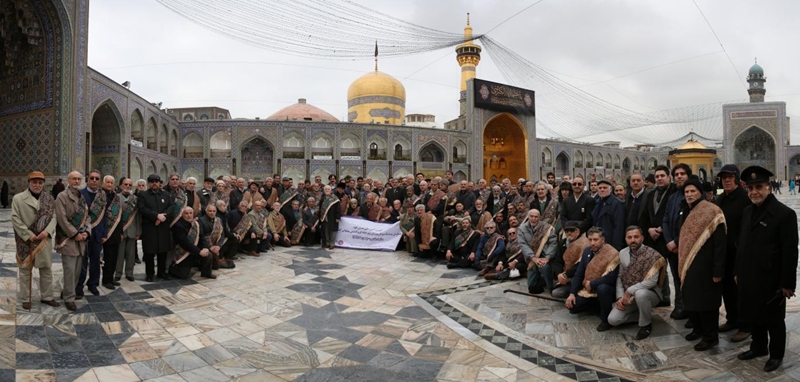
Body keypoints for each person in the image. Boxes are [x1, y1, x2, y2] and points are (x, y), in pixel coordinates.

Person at [735, 166, 798, 372]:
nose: (754, 191)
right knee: (754, 314)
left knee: (774, 319)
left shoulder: (784, 214)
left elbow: (790, 251)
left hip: (771, 278)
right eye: (750, 188)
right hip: (749, 275)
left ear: (768, 187)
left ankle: (776, 354)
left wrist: (787, 283)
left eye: (759, 187)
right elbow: (742, 245)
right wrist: (738, 271)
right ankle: (758, 347)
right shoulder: (747, 212)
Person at [679, 176, 726, 351]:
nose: (689, 194)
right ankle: (698, 329)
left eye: (693, 191)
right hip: (689, 264)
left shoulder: (712, 211)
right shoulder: (686, 209)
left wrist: (717, 270)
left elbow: (720, 244)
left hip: (707, 265)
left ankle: (710, 337)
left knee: (707, 303)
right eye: (686, 192)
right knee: (692, 300)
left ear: (701, 192)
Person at [607, 226, 666, 340]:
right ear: (625, 239)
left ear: (642, 238)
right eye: (629, 237)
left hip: (649, 293)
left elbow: (652, 281)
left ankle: (646, 325)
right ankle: (643, 313)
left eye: (636, 237)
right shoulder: (622, 253)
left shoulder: (651, 255)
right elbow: (620, 276)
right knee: (613, 320)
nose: (633, 240)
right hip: (628, 297)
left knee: (640, 294)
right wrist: (620, 297)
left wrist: (629, 291)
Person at [714, 164, 751, 343]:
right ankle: (732, 319)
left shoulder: (745, 198)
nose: (727, 180)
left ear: (736, 178)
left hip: (740, 253)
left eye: (730, 177)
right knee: (727, 288)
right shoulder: (720, 200)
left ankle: (745, 326)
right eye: (724, 178)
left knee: (741, 290)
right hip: (724, 253)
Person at [12, 171, 58, 310]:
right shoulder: (18, 198)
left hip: (43, 240)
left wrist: (47, 231)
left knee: (46, 269)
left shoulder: (49, 199)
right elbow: (15, 218)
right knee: (25, 270)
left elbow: (54, 217)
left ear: (43, 184)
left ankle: (47, 296)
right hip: (26, 241)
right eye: (34, 182)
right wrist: (27, 234)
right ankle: (26, 298)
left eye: (40, 182)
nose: (37, 185)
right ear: (29, 183)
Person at [565, 227, 620, 332]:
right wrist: (572, 294)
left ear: (603, 240)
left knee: (602, 288)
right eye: (590, 240)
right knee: (572, 308)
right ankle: (597, 305)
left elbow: (611, 278)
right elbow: (579, 274)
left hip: (606, 288)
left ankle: (606, 320)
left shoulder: (613, 253)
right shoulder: (587, 251)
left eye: (595, 240)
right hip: (588, 289)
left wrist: (592, 284)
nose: (592, 243)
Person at [55, 171, 89, 311]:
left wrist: (87, 232)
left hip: (81, 240)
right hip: (68, 239)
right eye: (74, 179)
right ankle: (69, 298)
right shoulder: (62, 196)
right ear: (68, 180)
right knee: (69, 270)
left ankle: (68, 291)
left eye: (78, 179)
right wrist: (75, 234)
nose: (76, 181)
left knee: (76, 271)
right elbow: (62, 219)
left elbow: (87, 217)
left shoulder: (81, 197)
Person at [662, 163, 691, 320]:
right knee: (676, 277)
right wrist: (669, 241)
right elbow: (666, 219)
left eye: (682, 173)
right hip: (672, 247)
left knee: (688, 279)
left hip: (685, 247)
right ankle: (680, 306)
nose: (679, 176)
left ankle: (689, 308)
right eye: (677, 174)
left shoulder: (691, 196)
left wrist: (677, 241)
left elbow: (691, 226)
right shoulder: (672, 197)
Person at [137, 174, 175, 282]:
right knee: (149, 252)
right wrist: (156, 216)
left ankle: (161, 272)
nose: (154, 183)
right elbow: (142, 209)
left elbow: (171, 207)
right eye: (152, 181)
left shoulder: (166, 194)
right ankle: (149, 274)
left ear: (160, 183)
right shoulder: (143, 195)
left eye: (156, 181)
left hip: (163, 227)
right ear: (149, 183)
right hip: (150, 228)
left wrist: (163, 217)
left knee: (162, 251)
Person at [77, 170, 107, 297]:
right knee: (82, 261)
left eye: (97, 178)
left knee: (96, 260)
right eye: (92, 178)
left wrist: (104, 233)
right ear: (87, 180)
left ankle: (93, 284)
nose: (94, 180)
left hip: (97, 233)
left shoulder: (102, 195)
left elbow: (105, 216)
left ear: (99, 181)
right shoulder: (80, 194)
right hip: (83, 233)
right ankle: (79, 285)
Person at [169, 207, 216, 279]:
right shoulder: (178, 226)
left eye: (190, 213)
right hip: (184, 252)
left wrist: (205, 248)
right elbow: (185, 243)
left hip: (195, 250)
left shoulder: (196, 224)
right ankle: (172, 268)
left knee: (208, 254)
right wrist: (199, 251)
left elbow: (202, 238)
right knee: (183, 276)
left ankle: (206, 273)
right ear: (182, 214)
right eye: (186, 213)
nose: (189, 215)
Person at [518, 209, 557, 294]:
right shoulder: (521, 229)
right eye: (531, 216)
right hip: (531, 259)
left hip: (544, 257)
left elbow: (553, 244)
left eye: (536, 217)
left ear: (539, 217)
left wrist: (547, 257)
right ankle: (541, 279)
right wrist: (533, 258)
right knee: (532, 288)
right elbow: (523, 245)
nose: (533, 218)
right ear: (528, 217)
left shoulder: (547, 227)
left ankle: (551, 287)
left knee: (544, 267)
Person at [550, 221, 588, 299]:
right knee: (555, 293)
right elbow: (558, 261)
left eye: (572, 230)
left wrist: (566, 274)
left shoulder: (584, 243)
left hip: (578, 276)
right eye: (567, 231)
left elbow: (581, 264)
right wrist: (559, 274)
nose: (569, 233)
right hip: (564, 276)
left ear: (577, 231)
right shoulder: (562, 242)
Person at [100, 175, 123, 290]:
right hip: (105, 231)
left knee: (114, 256)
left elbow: (119, 215)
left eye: (111, 183)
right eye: (107, 182)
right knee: (107, 257)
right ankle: (106, 279)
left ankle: (111, 278)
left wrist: (121, 232)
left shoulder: (115, 197)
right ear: (103, 183)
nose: (109, 184)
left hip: (115, 231)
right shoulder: (101, 196)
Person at [115, 178, 140, 282]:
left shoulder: (135, 199)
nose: (128, 186)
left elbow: (138, 216)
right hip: (120, 231)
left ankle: (129, 273)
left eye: (130, 185)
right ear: (121, 186)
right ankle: (118, 273)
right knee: (119, 254)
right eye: (126, 184)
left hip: (132, 230)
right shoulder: (116, 198)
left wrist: (138, 231)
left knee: (131, 254)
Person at [592, 179, 626, 250]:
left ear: (610, 190)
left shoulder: (616, 203)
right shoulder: (597, 203)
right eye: (600, 188)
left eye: (605, 188)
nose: (602, 190)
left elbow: (619, 226)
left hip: (610, 243)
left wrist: (616, 247)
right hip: (598, 241)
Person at [319, 185, 340, 249]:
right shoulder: (322, 198)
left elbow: (338, 209)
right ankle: (327, 243)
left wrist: (337, 217)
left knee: (333, 231)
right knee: (326, 231)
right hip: (324, 217)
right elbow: (320, 208)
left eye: (328, 189)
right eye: (326, 189)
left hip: (332, 217)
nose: (327, 190)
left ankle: (332, 244)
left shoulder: (335, 198)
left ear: (331, 191)